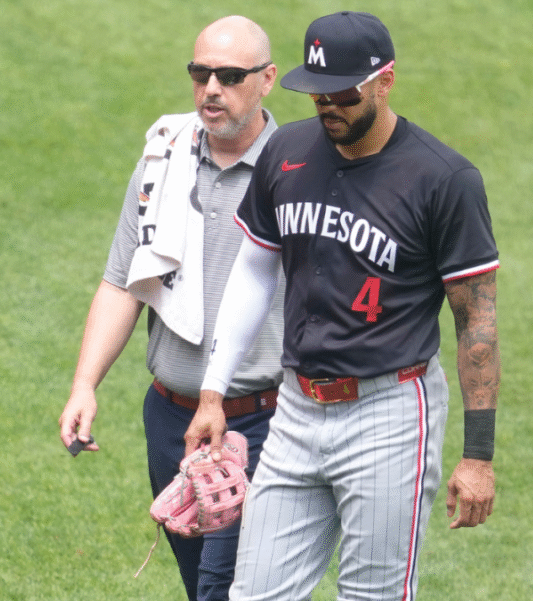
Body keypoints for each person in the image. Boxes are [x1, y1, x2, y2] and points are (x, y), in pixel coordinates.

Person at [184, 11, 500, 600]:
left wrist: (477, 456)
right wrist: (212, 392)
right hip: (297, 410)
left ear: (385, 80)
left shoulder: (444, 179)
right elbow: (254, 271)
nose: (328, 105)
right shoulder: (288, 151)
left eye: (343, 93)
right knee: (252, 594)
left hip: (390, 414)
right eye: (317, 92)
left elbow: (476, 321)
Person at [58, 15, 284, 601]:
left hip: (262, 421)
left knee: (226, 589)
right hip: (172, 422)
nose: (212, 88)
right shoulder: (163, 160)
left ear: (267, 80)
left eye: (230, 76)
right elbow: (122, 282)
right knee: (199, 585)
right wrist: (85, 385)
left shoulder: (295, 172)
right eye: (200, 72)